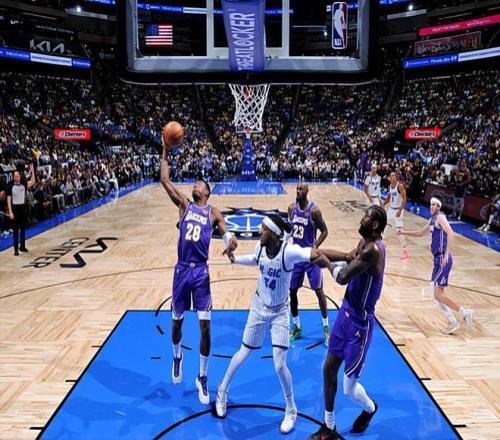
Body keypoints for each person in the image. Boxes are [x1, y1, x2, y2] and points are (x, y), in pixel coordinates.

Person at [215, 214, 333, 434]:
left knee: (279, 365)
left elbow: (314, 254)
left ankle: (291, 409)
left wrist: (337, 262)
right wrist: (235, 259)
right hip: (259, 306)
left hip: (279, 312)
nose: (260, 232)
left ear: (274, 234)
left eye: (264, 229)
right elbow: (255, 259)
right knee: (243, 353)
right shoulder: (261, 248)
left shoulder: (288, 253)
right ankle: (222, 390)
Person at [160, 142, 237, 405]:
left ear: (206, 191)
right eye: (194, 184)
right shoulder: (184, 205)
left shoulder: (213, 212)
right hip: (182, 270)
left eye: (199, 184)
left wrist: (230, 243)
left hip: (201, 273)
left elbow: (227, 235)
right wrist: (165, 151)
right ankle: (177, 356)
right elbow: (165, 180)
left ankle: (202, 376)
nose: (194, 185)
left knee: (205, 327)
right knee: (177, 323)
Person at [308, 206, 387, 440]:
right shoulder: (363, 244)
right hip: (345, 315)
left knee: (349, 389)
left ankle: (370, 408)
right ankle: (329, 426)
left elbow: (342, 277)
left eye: (366, 217)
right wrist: (315, 253)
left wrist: (324, 261)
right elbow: (346, 257)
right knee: (328, 367)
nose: (361, 219)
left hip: (360, 325)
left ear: (375, 224)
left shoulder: (374, 250)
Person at [398, 196, 473, 335]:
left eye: (434, 205)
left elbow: (451, 233)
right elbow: (420, 233)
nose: (431, 206)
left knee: (437, 294)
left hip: (443, 259)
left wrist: (447, 253)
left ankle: (463, 314)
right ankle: (454, 320)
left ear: (439, 207)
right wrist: (403, 232)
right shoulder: (432, 219)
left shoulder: (440, 218)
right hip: (437, 260)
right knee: (435, 293)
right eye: (431, 204)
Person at [288, 183, 330, 346]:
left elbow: (325, 230)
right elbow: (289, 231)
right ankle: (297, 326)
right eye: (297, 189)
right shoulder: (291, 209)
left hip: (311, 258)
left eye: (301, 189)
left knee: (319, 292)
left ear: (307, 191)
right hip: (296, 257)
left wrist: (315, 245)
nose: (298, 191)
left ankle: (326, 329)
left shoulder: (314, 211)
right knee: (292, 291)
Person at [7, 163, 36, 255]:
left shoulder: (24, 184)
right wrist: (10, 211)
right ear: (13, 177)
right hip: (15, 208)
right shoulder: (10, 186)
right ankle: (15, 249)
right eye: (15, 176)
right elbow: (9, 199)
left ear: (20, 176)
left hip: (22, 207)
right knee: (15, 230)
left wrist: (32, 170)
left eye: (18, 176)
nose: (16, 177)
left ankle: (22, 246)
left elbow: (33, 181)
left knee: (23, 228)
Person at [382, 171, 409, 259]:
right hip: (391, 209)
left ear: (396, 177)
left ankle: (405, 250)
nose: (391, 177)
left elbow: (404, 198)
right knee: (386, 227)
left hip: (398, 209)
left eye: (392, 176)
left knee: (399, 231)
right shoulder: (390, 186)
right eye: (390, 176)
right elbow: (389, 197)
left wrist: (400, 210)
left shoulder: (399, 186)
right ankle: (384, 244)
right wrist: (384, 203)